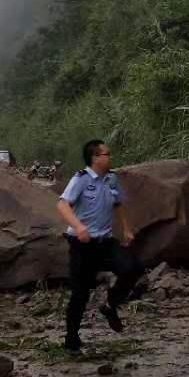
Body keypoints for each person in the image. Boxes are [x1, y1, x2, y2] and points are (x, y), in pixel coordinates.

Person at [55, 138, 145, 353]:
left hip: (105, 242)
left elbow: (118, 204)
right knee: (80, 294)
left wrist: (126, 228)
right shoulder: (81, 179)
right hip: (82, 245)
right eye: (106, 154)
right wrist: (78, 227)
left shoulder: (111, 179)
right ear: (95, 158)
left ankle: (110, 305)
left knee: (132, 268)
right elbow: (62, 204)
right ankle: (71, 340)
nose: (110, 157)